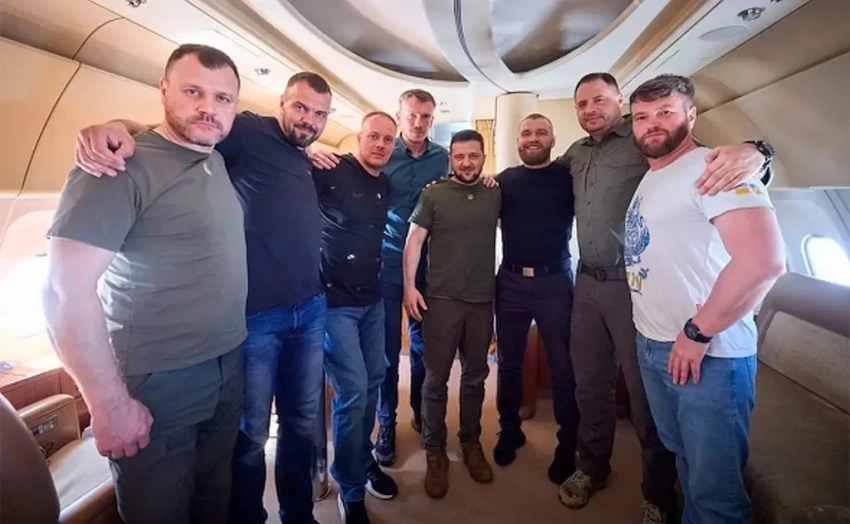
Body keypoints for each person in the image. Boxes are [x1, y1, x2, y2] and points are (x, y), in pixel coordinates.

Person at [73, 71, 336, 524]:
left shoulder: (303, 153)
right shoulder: (246, 130)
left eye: (319, 114)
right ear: (281, 102)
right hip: (257, 316)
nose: (308, 120)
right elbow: (174, 133)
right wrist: (116, 128)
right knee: (251, 435)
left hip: (310, 308)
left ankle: (299, 514)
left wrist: (311, 151)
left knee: (303, 421)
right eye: (300, 107)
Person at [554, 71, 775, 523]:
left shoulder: (649, 146)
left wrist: (759, 151)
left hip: (633, 288)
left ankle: (656, 494)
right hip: (594, 284)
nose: (591, 109)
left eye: (600, 100)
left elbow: (725, 172)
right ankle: (592, 467)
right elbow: (542, 176)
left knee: (645, 404)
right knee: (591, 384)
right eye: (582, 104)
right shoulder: (577, 154)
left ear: (619, 103)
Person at [42, 44, 247, 523]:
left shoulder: (214, 156)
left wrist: (122, 122)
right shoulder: (115, 167)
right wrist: (108, 406)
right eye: (192, 91)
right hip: (158, 380)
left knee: (213, 501)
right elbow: (62, 292)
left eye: (222, 98)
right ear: (164, 89)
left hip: (226, 364)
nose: (208, 108)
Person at [625, 74, 785, 523]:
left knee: (716, 492)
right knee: (685, 461)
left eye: (665, 112)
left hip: (707, 355)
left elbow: (764, 261)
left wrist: (697, 333)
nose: (652, 124)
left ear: (691, 115)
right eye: (641, 117)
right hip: (656, 345)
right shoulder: (654, 176)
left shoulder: (715, 168)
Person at [309, 89, 449, 466]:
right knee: (385, 355)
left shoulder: (442, 157)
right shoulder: (383, 154)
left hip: (426, 267)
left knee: (422, 348)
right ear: (400, 117)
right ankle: (387, 423)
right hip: (382, 265)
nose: (418, 123)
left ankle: (420, 410)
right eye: (411, 115)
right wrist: (307, 151)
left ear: (432, 119)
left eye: (425, 116)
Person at [313, 112, 401, 523]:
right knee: (352, 392)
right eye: (373, 137)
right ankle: (350, 489)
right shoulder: (331, 168)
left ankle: (362, 460)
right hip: (335, 304)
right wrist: (305, 150)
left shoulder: (384, 183)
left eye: (388, 139)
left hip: (372, 300)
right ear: (359, 137)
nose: (380, 144)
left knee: (374, 380)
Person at [403, 130, 500, 499]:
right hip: (441, 301)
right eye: (459, 156)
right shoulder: (433, 194)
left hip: (481, 301)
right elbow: (414, 240)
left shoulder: (494, 192)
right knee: (435, 380)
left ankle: (470, 442)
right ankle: (434, 449)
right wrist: (409, 287)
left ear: (483, 157)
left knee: (475, 377)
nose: (466, 162)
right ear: (450, 159)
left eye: (473, 156)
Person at [491, 113, 579, 486]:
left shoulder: (569, 177)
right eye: (526, 133)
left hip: (554, 281)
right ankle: (510, 429)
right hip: (510, 281)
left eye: (541, 132)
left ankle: (567, 444)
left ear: (552, 140)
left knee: (563, 368)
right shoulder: (503, 181)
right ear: (518, 141)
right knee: (508, 362)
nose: (533, 138)